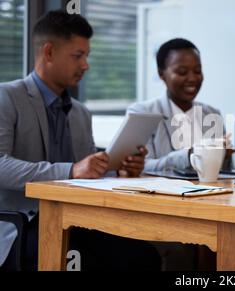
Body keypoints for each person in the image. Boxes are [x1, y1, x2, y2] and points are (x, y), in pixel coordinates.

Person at [0, 10, 160, 271]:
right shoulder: (7, 97)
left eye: (87, 56)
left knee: (143, 256)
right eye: (78, 56)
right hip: (23, 225)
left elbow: (89, 174)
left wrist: (119, 169)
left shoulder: (80, 112)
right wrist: (71, 170)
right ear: (49, 52)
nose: (86, 65)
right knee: (81, 259)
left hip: (78, 219)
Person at [127, 38, 233, 173]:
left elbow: (226, 174)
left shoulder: (212, 114)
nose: (192, 78)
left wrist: (224, 156)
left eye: (197, 71)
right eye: (182, 72)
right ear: (161, 74)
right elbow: (141, 167)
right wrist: (189, 155)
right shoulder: (142, 113)